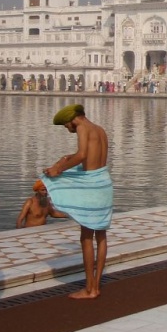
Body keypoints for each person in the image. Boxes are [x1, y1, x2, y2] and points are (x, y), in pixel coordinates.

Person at [43, 104, 113, 300]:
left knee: (86, 237)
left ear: (73, 119)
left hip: (92, 185)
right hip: (104, 182)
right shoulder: (100, 130)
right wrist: (64, 159)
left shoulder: (82, 127)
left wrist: (58, 169)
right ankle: (96, 285)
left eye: (66, 126)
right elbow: (91, 155)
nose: (68, 129)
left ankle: (89, 289)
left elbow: (82, 154)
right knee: (101, 235)